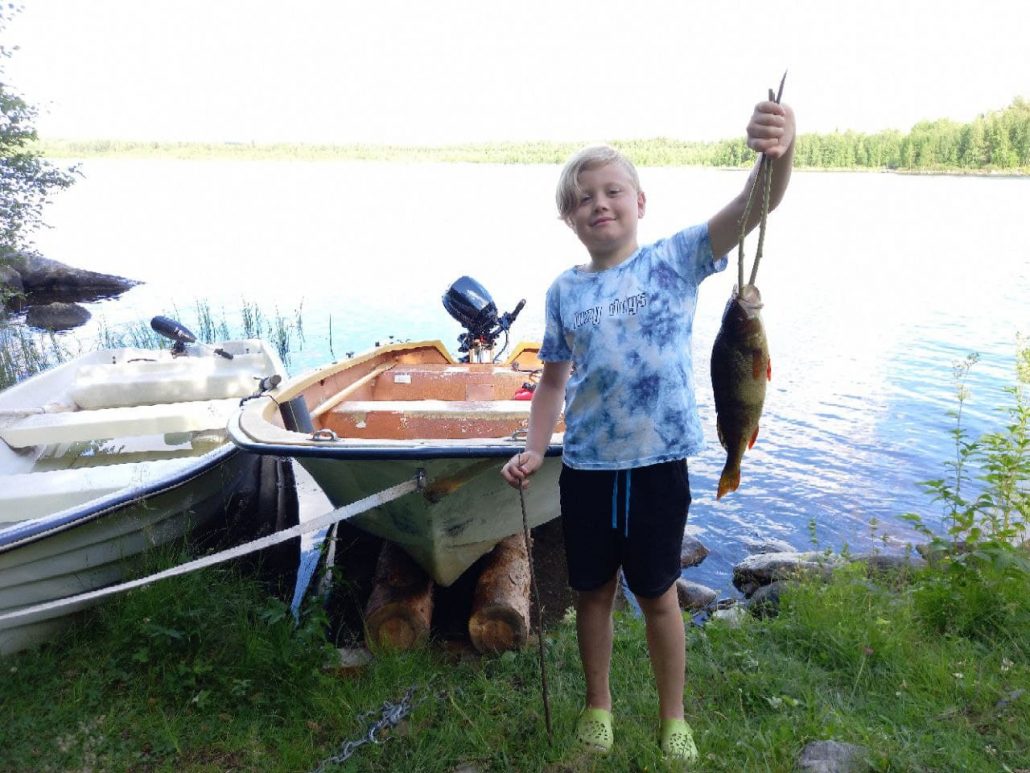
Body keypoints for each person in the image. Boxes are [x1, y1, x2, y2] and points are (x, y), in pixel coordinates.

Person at [500, 98, 796, 764]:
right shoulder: (563, 292)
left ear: (640, 200)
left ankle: (673, 717)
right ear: (569, 219)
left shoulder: (676, 260)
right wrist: (533, 447)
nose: (598, 204)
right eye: (582, 199)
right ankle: (599, 705)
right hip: (587, 470)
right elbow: (551, 383)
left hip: (659, 465)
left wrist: (783, 144)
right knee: (591, 593)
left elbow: (759, 201)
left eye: (611, 191)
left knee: (659, 594)